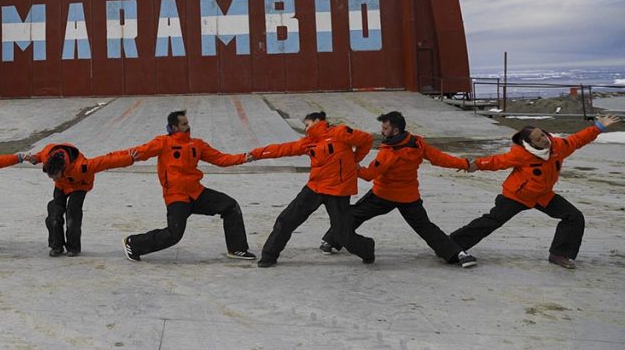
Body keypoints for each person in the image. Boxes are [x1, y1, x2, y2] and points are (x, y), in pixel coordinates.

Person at [450, 114, 621, 269]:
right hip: (517, 195)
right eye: (539, 139)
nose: (544, 140)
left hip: (543, 195)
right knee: (491, 221)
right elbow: (497, 161)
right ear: (530, 144)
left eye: (543, 135)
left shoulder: (558, 146)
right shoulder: (521, 154)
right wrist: (474, 165)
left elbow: (578, 139)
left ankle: (559, 254)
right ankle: (450, 245)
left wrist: (599, 126)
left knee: (574, 217)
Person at [319, 111, 477, 268]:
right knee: (426, 228)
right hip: (409, 197)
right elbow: (439, 158)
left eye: (385, 128)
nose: (382, 131)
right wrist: (464, 164)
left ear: (395, 131)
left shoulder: (388, 153)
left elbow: (369, 175)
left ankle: (330, 241)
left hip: (383, 196)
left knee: (353, 215)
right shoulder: (417, 143)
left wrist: (354, 167)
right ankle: (458, 254)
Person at [122, 110, 255, 262]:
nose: (188, 126)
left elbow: (220, 159)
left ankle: (237, 248)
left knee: (230, 206)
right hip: (176, 196)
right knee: (174, 234)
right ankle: (133, 243)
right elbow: (141, 151)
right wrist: (125, 157)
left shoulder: (197, 144)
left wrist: (243, 158)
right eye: (184, 124)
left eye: (187, 123)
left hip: (196, 193)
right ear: (174, 127)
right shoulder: (163, 142)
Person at [248, 111, 376, 267]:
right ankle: (268, 256)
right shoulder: (309, 142)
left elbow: (367, 140)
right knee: (286, 220)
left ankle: (367, 248)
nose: (306, 129)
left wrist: (355, 160)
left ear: (317, 121)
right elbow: (283, 149)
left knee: (342, 234)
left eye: (307, 125)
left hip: (338, 191)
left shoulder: (340, 132)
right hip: (315, 187)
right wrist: (257, 154)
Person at [29, 143, 134, 257]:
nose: (53, 179)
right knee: (54, 213)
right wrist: (35, 158)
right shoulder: (48, 155)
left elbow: (106, 161)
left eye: (55, 176)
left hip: (80, 186)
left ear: (62, 168)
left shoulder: (82, 166)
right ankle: (56, 246)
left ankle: (73, 248)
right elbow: (41, 154)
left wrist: (129, 158)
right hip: (62, 185)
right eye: (51, 177)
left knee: (73, 213)